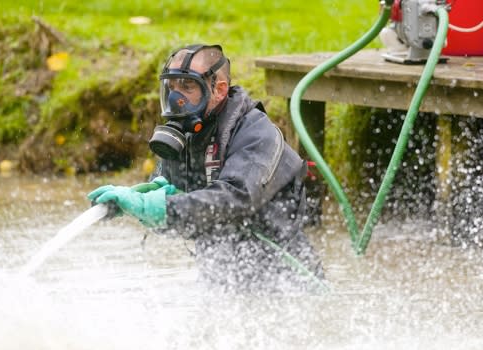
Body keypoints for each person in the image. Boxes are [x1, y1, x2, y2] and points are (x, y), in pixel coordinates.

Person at [88, 44, 324, 293]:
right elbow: (180, 215)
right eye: (171, 86)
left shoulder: (256, 133)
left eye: (187, 87)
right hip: (222, 280)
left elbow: (234, 200)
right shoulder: (185, 135)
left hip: (286, 282)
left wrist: (156, 207)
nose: (174, 98)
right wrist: (139, 203)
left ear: (219, 90)